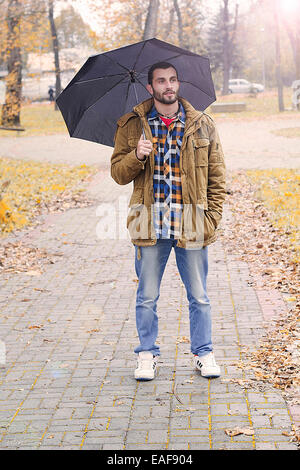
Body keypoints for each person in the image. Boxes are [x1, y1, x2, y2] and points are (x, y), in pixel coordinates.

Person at [111, 62, 226, 381]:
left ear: (179, 83)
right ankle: (147, 354)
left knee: (199, 294)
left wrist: (211, 219)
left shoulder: (202, 124)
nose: (168, 85)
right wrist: (136, 156)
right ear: (150, 87)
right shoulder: (131, 125)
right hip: (149, 221)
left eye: (173, 79)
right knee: (147, 294)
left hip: (191, 221)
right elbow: (118, 174)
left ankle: (204, 353)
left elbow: (217, 175)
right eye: (161, 81)